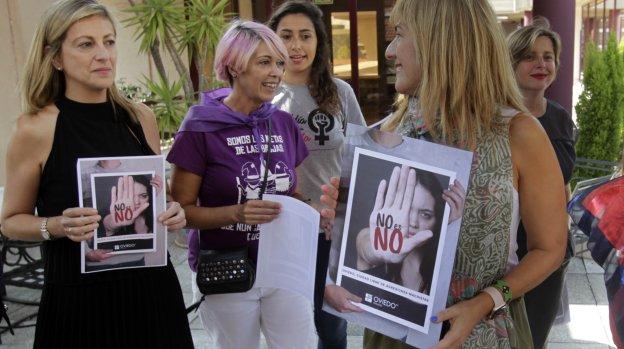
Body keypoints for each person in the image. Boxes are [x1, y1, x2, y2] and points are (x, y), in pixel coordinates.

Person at [360, 0, 568, 348]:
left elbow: (550, 248)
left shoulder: (519, 134)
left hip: (483, 333)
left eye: (400, 35)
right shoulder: (389, 131)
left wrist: (486, 301)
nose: (391, 50)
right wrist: (340, 216)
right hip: (394, 329)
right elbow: (368, 244)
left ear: (439, 43)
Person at [0, 1, 193, 347]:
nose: (103, 54)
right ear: (55, 57)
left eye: (109, 41)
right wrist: (56, 225)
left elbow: (158, 196)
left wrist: (173, 209)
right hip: (79, 301)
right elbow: (11, 220)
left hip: (151, 292)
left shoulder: (140, 118)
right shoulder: (36, 129)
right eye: (86, 44)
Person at [167, 20, 339, 349]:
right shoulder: (200, 126)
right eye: (264, 62)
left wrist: (314, 212)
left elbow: (292, 193)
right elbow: (182, 212)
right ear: (234, 65)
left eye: (278, 62)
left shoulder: (283, 122)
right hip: (226, 266)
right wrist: (236, 213)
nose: (276, 71)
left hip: (285, 265)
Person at [267, 2, 366, 347]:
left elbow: (361, 155)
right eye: (286, 36)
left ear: (318, 42)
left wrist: (347, 210)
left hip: (330, 229)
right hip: (283, 228)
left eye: (305, 36)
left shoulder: (340, 93)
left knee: (331, 326)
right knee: (291, 326)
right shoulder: (265, 97)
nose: (296, 46)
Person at [507, 18, 577, 349]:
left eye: (548, 57)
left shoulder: (561, 118)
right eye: (529, 56)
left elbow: (563, 183)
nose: (541, 64)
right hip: (508, 258)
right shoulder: (499, 121)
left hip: (551, 256)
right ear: (511, 63)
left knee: (535, 340)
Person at [355, 165, 464, 295]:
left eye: (425, 214)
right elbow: (366, 245)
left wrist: (451, 226)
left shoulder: (442, 264)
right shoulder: (369, 237)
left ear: (437, 221)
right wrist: (381, 249)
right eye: (405, 209)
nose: (412, 222)